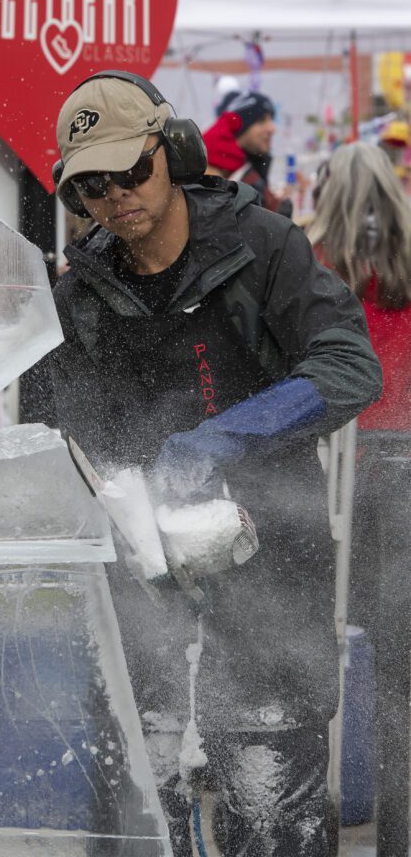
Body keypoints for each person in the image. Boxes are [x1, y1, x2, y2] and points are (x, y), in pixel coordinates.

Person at [47, 71, 382, 854]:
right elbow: (62, 433)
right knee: (139, 807)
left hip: (272, 556)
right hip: (141, 579)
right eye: (92, 185)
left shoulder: (260, 246)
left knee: (271, 811)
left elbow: (346, 365)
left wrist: (225, 437)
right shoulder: (80, 297)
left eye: (130, 170)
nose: (115, 196)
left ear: (171, 152)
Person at [308, 141, 411, 853]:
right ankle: (398, 828)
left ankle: (318, 810)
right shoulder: (404, 263)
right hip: (403, 458)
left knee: (322, 635)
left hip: (341, 457)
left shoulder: (313, 262)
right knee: (399, 660)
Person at [202, 89, 284, 212]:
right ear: (240, 127)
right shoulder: (214, 173)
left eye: (271, 119)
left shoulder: (247, 169)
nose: (272, 128)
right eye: (261, 120)